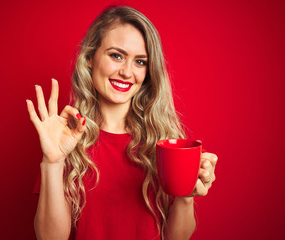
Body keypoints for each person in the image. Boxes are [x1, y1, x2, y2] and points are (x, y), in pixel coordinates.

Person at [26, 6, 218, 240]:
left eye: (140, 62)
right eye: (116, 55)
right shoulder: (65, 138)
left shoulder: (168, 144)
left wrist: (186, 195)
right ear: (89, 58)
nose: (127, 72)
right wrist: (53, 162)